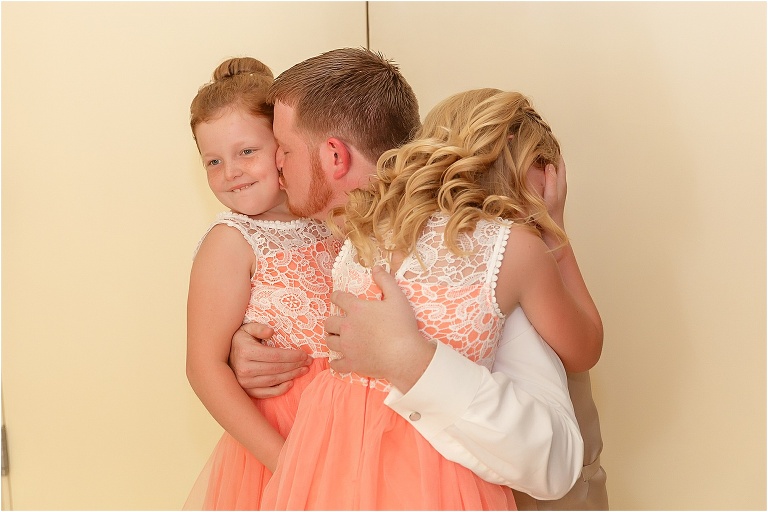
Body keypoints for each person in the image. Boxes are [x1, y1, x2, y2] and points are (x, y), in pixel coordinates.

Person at [229, 48, 605, 507]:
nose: (274, 165)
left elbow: (557, 457)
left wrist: (413, 362)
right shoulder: (344, 241)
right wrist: (243, 345)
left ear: (334, 157)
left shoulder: (495, 256)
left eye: (283, 150)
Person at [184, 57, 341, 509]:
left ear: (283, 147)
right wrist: (287, 460)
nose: (230, 172)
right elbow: (203, 366)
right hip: (281, 440)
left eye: (246, 152)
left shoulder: (327, 220)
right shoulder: (232, 242)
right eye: (213, 161)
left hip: (349, 422)